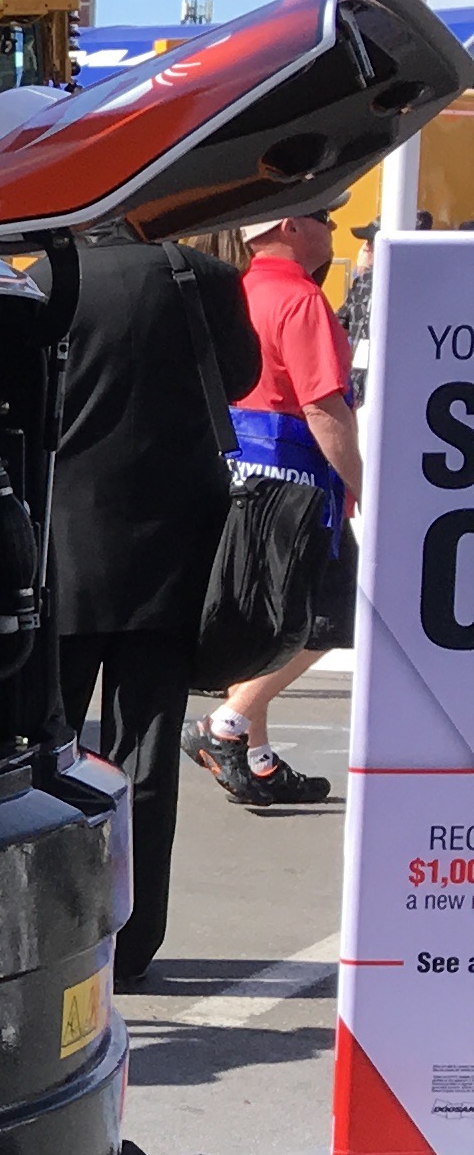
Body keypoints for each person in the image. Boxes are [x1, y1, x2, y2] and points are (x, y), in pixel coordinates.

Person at [48, 228, 260, 984]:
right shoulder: (197, 275)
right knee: (146, 757)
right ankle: (132, 940)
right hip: (172, 549)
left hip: (58, 549)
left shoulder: (43, 276)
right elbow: (238, 379)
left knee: (46, 754)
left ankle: (49, 933)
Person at [190, 204, 360, 807]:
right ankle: (230, 723)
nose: (332, 230)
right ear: (289, 226)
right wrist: (357, 482)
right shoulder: (300, 300)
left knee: (266, 616)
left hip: (244, 474)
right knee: (328, 616)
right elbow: (323, 407)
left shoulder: (239, 291)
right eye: (323, 217)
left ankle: (255, 756)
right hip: (300, 482)